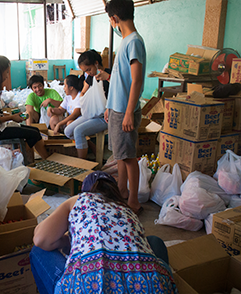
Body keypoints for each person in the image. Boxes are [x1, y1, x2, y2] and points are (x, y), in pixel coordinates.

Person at [30, 171, 177, 294]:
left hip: (88, 287)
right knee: (154, 241)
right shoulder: (127, 210)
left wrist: (64, 240)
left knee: (38, 251)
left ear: (85, 190)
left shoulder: (80, 200)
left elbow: (41, 239)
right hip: (150, 287)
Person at [104, 0, 146, 214]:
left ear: (114, 19)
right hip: (117, 109)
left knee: (129, 157)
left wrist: (129, 112)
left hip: (125, 111)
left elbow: (136, 80)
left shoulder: (134, 42)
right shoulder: (127, 40)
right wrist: (109, 107)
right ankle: (121, 192)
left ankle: (134, 201)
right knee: (120, 154)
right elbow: (120, 80)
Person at [0, 55, 48, 159]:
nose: (7, 76)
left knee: (35, 131)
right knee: (34, 135)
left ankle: (40, 158)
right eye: (6, 72)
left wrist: (8, 115)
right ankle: (20, 155)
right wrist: (11, 118)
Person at [64, 50, 110, 159]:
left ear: (96, 63)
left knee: (79, 131)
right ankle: (87, 145)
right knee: (68, 131)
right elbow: (83, 92)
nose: (88, 73)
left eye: (89, 69)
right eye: (86, 71)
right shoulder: (90, 77)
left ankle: (82, 163)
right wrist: (83, 98)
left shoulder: (109, 75)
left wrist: (108, 78)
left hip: (105, 116)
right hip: (91, 113)